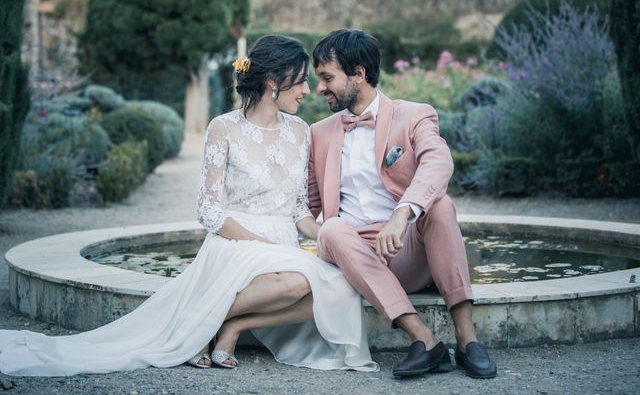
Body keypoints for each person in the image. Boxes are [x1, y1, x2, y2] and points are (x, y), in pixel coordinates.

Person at [0, 35, 377, 376]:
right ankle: (211, 326)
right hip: (234, 243)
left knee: (341, 286)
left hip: (280, 244)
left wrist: (325, 231)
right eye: (300, 81)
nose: (309, 90)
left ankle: (224, 325)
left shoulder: (300, 132)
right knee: (295, 281)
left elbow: (298, 210)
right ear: (272, 82)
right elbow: (208, 210)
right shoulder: (223, 128)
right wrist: (256, 244)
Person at [307, 29, 497, 379]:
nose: (320, 88)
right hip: (355, 258)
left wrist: (402, 214)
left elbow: (439, 162)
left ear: (359, 74)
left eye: (327, 77)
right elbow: (305, 205)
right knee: (331, 229)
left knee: (441, 205)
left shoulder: (413, 115)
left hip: (406, 248)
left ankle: (468, 339)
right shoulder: (319, 133)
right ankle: (423, 339)